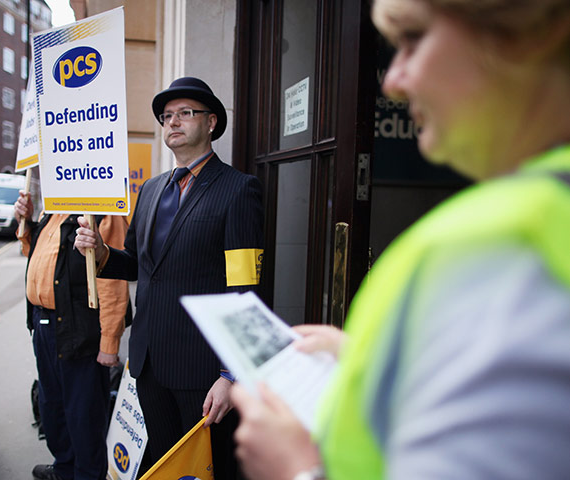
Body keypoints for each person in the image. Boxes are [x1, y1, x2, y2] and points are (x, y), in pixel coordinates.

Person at [230, 1, 570, 479]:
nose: (392, 79)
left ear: (530, 32)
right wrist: (367, 358)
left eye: (414, 39)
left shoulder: (497, 243)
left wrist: (295, 469)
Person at [74, 76, 264, 478]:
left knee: (214, 470)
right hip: (149, 362)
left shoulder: (238, 190)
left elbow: (244, 289)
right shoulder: (150, 190)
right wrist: (101, 253)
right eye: (166, 116)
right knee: (167, 465)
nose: (172, 122)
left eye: (184, 114)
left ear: (211, 123)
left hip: (204, 369)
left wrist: (230, 375)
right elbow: (139, 266)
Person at [14, 191, 131, 480]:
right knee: (52, 406)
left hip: (81, 330)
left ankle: (87, 474)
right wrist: (26, 221)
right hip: (43, 324)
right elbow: (36, 255)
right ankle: (65, 468)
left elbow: (113, 281)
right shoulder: (51, 210)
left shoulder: (103, 212)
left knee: (84, 414)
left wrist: (109, 342)